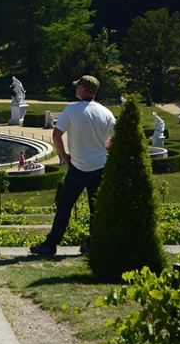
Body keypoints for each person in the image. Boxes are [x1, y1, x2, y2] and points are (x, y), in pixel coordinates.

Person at [30, 75, 116, 257]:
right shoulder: (106, 113)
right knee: (96, 208)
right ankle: (93, 243)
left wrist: (64, 156)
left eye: (78, 87)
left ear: (84, 89)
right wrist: (104, 147)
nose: (76, 89)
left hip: (78, 167)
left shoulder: (72, 110)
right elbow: (116, 137)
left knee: (64, 206)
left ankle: (51, 244)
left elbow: (56, 135)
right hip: (100, 166)